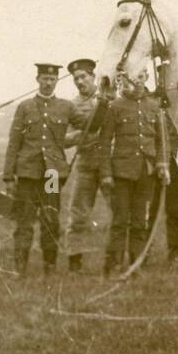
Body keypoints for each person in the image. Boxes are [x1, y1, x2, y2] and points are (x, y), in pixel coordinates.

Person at [2, 63, 74, 275]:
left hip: (52, 175)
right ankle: (20, 269)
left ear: (56, 82)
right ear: (37, 80)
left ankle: (49, 268)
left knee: (51, 219)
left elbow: (90, 123)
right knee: (24, 221)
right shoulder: (24, 107)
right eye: (44, 79)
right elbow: (14, 143)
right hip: (27, 174)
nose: (48, 83)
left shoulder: (66, 107)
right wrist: (8, 175)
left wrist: (104, 103)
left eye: (52, 79)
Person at [97, 72, 171, 277]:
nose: (137, 81)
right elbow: (104, 142)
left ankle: (135, 265)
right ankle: (113, 264)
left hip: (146, 173)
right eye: (133, 77)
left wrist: (162, 164)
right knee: (120, 220)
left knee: (140, 221)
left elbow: (163, 141)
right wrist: (105, 173)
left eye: (141, 76)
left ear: (146, 77)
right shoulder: (116, 106)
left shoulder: (155, 106)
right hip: (121, 172)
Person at [62, 58, 108, 273]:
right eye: (76, 79)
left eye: (83, 77)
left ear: (93, 77)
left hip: (110, 165)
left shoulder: (108, 99)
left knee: (121, 210)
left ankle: (120, 258)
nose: (80, 82)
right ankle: (74, 260)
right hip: (86, 164)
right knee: (78, 214)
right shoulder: (72, 105)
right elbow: (63, 138)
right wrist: (82, 134)